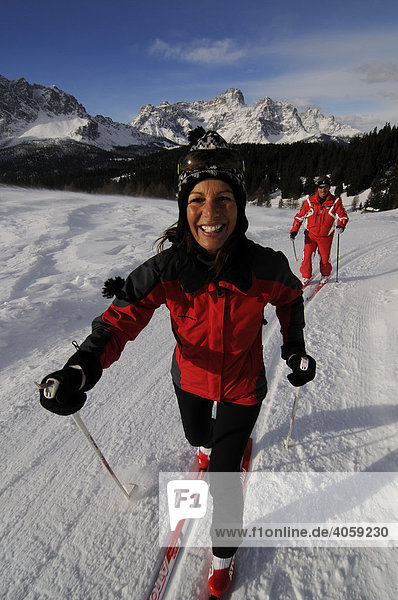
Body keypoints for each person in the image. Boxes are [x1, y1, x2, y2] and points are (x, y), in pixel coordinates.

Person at [38, 131, 316, 598]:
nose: (211, 213)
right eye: (198, 199)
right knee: (196, 437)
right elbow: (117, 322)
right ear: (183, 207)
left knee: (225, 478)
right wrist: (79, 369)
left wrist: (294, 347)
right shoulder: (164, 270)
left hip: (244, 386)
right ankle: (207, 447)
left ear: (241, 205)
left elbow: (291, 300)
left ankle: (223, 553)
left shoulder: (265, 267)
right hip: (189, 377)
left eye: (225, 198)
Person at [290, 176, 349, 284]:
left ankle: (325, 274)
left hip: (326, 236)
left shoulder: (335, 202)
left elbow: (343, 217)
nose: (323, 190)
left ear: (329, 188)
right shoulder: (310, 202)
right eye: (321, 187)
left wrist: (341, 225)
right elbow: (299, 217)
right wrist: (294, 230)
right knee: (307, 257)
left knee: (325, 258)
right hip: (310, 235)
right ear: (318, 188)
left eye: (326, 187)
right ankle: (306, 276)